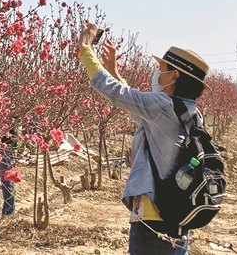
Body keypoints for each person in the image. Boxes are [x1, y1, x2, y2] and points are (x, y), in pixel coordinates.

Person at [78, 23, 210, 255]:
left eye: (162, 67)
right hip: (176, 216)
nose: (157, 72)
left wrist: (85, 49)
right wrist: (116, 73)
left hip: (153, 221)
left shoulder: (162, 106)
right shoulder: (190, 111)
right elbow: (140, 110)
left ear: (175, 75)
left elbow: (115, 93)